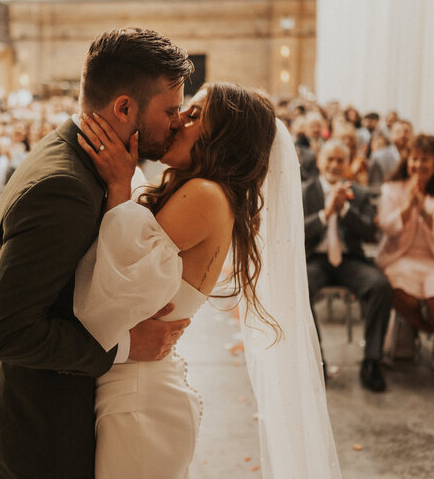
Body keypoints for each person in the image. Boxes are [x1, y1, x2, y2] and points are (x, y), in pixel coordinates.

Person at [74, 86, 340, 478]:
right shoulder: (195, 190)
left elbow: (114, 283)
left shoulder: (205, 196)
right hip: (135, 388)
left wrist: (118, 186)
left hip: (138, 400)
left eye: (195, 116)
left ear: (223, 141)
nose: (178, 119)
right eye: (185, 109)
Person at [0, 28, 195, 479]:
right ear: (125, 107)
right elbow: (6, 333)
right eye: (170, 110)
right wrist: (127, 346)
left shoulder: (81, 155)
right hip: (43, 430)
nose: (177, 122)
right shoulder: (65, 186)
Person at [303, 140, 392, 392]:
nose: (334, 165)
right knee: (299, 287)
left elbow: (368, 232)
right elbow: (295, 232)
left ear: (347, 163)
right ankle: (315, 361)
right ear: (320, 161)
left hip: (349, 260)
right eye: (329, 159)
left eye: (340, 160)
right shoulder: (304, 191)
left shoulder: (360, 193)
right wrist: (326, 213)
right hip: (315, 260)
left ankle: (372, 361)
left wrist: (345, 211)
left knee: (380, 286)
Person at [376, 134, 434, 373]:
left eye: (425, 160)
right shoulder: (392, 188)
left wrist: (425, 211)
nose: (419, 165)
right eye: (414, 159)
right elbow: (385, 225)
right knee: (402, 295)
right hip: (401, 257)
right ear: (407, 161)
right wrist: (407, 208)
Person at [368, 119, 413, 187]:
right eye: (398, 132)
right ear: (391, 135)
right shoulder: (378, 156)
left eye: (406, 132)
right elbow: (374, 186)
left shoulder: (416, 158)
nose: (402, 135)